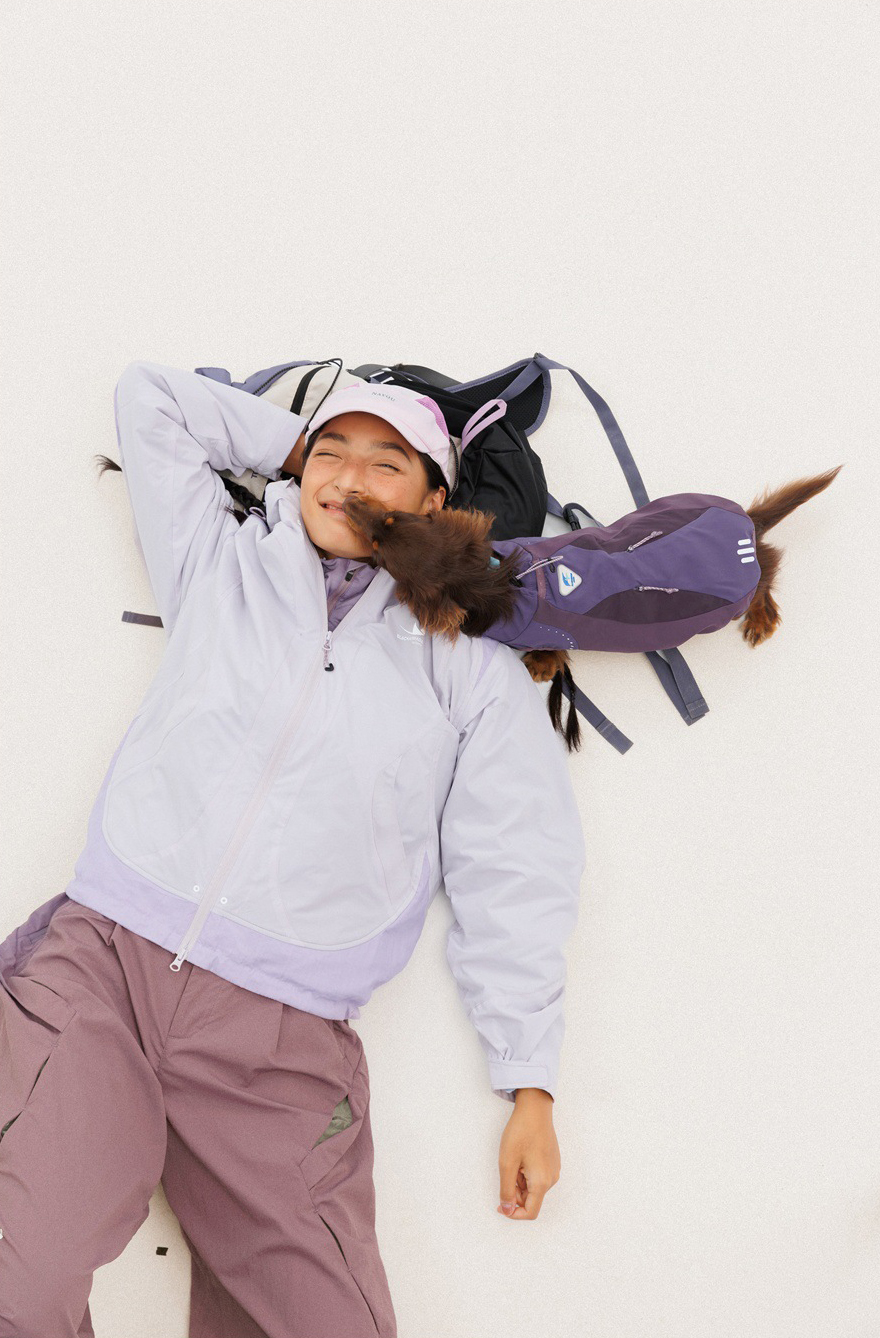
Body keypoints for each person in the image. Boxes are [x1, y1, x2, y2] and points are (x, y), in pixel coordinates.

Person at [0, 362, 587, 1338]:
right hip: (102, 975)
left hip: (280, 1042)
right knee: (17, 1285)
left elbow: (515, 868)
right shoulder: (219, 565)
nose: (349, 475)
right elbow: (152, 399)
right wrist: (301, 452)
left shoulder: (469, 668)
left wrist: (529, 1078)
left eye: (387, 463)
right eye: (331, 452)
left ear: (435, 502)